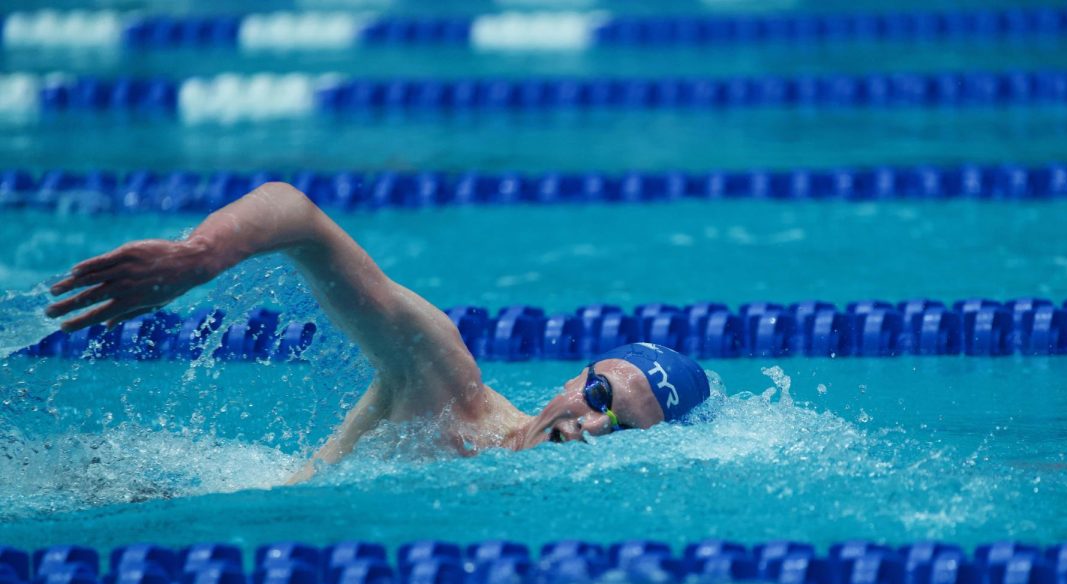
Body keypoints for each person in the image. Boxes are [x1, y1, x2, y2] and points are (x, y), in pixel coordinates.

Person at [44, 181, 710, 482]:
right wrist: (201, 254)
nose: (592, 428)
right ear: (574, 379)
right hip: (140, 490)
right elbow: (298, 216)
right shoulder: (449, 394)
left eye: (621, 429)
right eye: (599, 399)